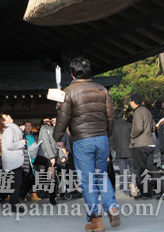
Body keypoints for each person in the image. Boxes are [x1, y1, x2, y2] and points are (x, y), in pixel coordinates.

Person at [53, 57, 120, 232]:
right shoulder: (102, 89)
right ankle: (112, 207)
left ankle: (96, 220)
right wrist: (107, 135)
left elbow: (63, 119)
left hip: (82, 139)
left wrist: (57, 136)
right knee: (102, 175)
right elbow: (110, 117)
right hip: (102, 138)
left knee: (88, 180)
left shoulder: (69, 92)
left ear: (73, 73)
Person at [129, 93, 164, 200]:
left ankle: (145, 193)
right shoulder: (147, 111)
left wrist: (132, 135)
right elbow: (153, 127)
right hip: (150, 143)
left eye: (130, 101)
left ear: (133, 101)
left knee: (139, 169)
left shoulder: (137, 112)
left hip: (141, 144)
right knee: (151, 167)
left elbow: (138, 128)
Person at [0, 113, 26, 213]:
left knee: (15, 184)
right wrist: (22, 143)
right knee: (16, 184)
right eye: (7, 116)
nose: (9, 116)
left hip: (14, 160)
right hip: (13, 161)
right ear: (4, 121)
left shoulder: (10, 129)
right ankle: (14, 205)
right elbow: (9, 145)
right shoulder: (8, 129)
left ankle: (13, 204)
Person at [33, 118, 61, 205]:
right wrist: (52, 156)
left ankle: (52, 197)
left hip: (50, 157)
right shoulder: (43, 130)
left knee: (52, 178)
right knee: (43, 177)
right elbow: (46, 143)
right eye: (45, 121)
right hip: (43, 157)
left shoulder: (53, 130)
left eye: (48, 121)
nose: (47, 122)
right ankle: (43, 193)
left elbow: (57, 145)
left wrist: (61, 155)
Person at [109, 110, 134, 198]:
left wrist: (115, 148)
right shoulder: (129, 125)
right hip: (130, 151)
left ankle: (127, 191)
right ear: (123, 116)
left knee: (123, 171)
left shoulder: (113, 127)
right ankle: (133, 184)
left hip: (120, 152)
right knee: (132, 169)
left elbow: (111, 141)